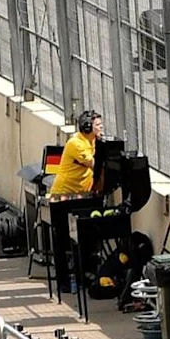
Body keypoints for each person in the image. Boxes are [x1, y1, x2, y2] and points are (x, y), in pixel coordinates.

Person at [46, 108, 103, 299]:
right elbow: (95, 164)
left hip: (82, 194)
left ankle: (85, 274)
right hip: (63, 195)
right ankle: (63, 282)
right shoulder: (76, 144)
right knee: (62, 238)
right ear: (87, 127)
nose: (101, 128)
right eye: (98, 125)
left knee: (88, 234)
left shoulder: (92, 141)